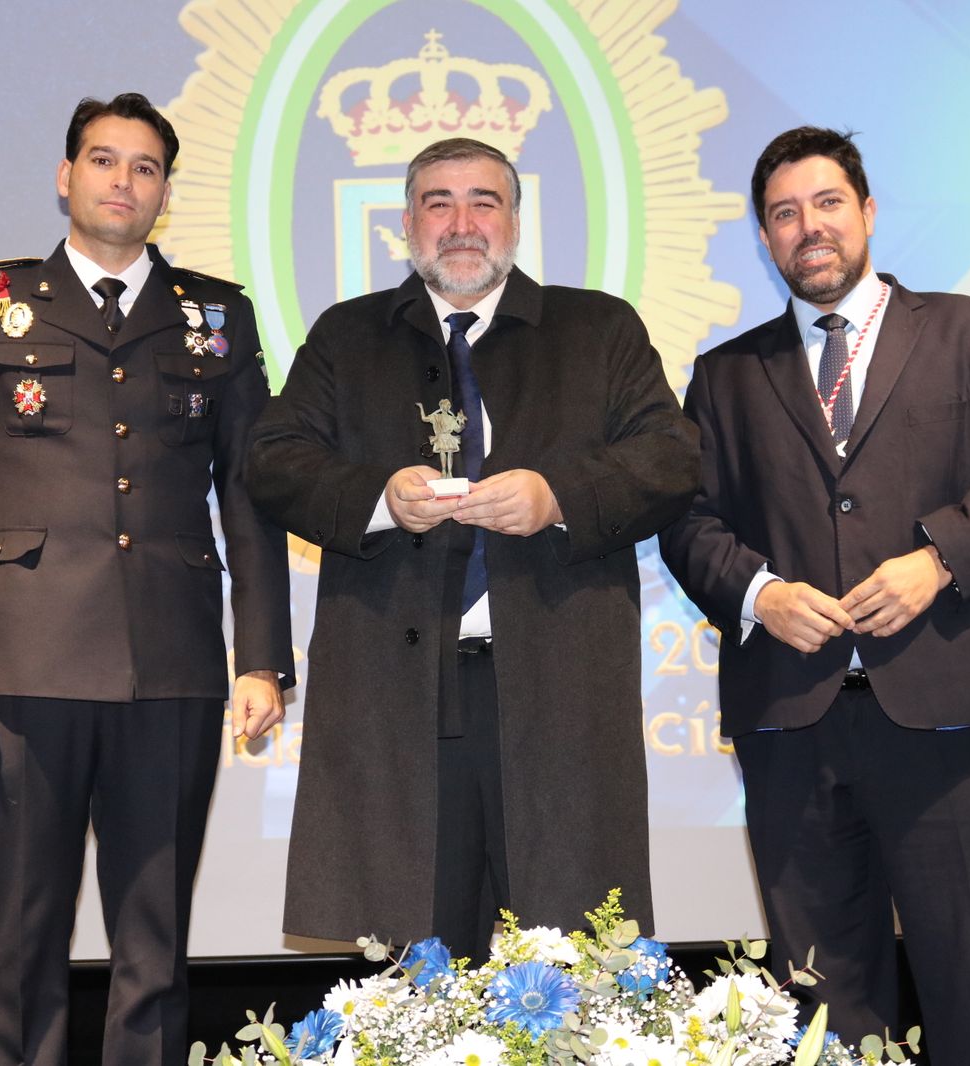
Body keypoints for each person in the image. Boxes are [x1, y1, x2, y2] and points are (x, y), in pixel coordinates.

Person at [660, 127, 970, 1064]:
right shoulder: (725, 376)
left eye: (828, 203)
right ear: (764, 239)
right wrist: (758, 593)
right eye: (785, 214)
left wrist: (938, 560)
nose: (810, 228)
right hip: (792, 722)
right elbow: (686, 518)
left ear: (869, 211)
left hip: (947, 713)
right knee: (820, 1002)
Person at [0, 92, 294, 1066]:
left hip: (170, 668)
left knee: (154, 945)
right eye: (103, 160)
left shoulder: (214, 316)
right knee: (21, 942)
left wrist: (262, 663)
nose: (123, 180)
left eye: (145, 166)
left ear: (165, 188)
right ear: (65, 175)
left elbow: (249, 503)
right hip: (22, 668)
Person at [247, 137, 699, 960]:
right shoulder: (348, 337)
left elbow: (671, 458)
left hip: (558, 691)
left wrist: (556, 496)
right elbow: (272, 460)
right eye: (438, 203)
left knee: (572, 970)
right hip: (400, 695)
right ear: (408, 223)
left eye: (483, 202)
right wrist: (379, 500)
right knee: (418, 969)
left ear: (515, 220)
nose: (461, 224)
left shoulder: (598, 328)